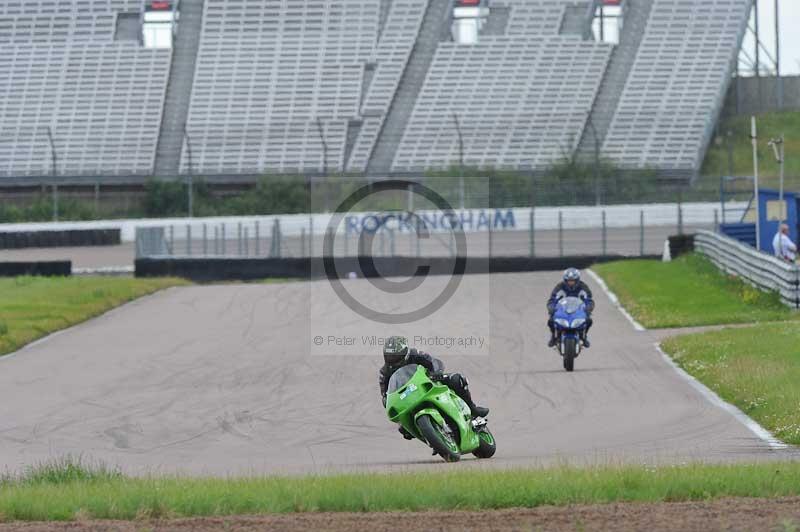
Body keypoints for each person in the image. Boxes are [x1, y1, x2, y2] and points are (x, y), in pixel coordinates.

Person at [379, 336, 489, 439]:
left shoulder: (415, 354)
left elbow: (433, 361)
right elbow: (385, 395)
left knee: (457, 379)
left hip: (428, 382)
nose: (393, 360)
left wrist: (436, 372)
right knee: (403, 429)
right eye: (389, 357)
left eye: (395, 357)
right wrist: (387, 401)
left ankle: (472, 409)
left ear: (406, 354)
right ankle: (429, 436)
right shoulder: (384, 372)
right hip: (407, 397)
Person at [547, 268, 595, 348]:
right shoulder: (559, 287)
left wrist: (588, 308)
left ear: (577, 280)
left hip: (578, 310)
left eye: (573, 280)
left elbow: (589, 300)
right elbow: (552, 299)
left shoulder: (583, 287)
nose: (571, 283)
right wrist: (551, 308)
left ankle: (583, 336)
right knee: (551, 321)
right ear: (565, 280)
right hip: (563, 309)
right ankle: (554, 337)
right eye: (569, 281)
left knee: (589, 320)